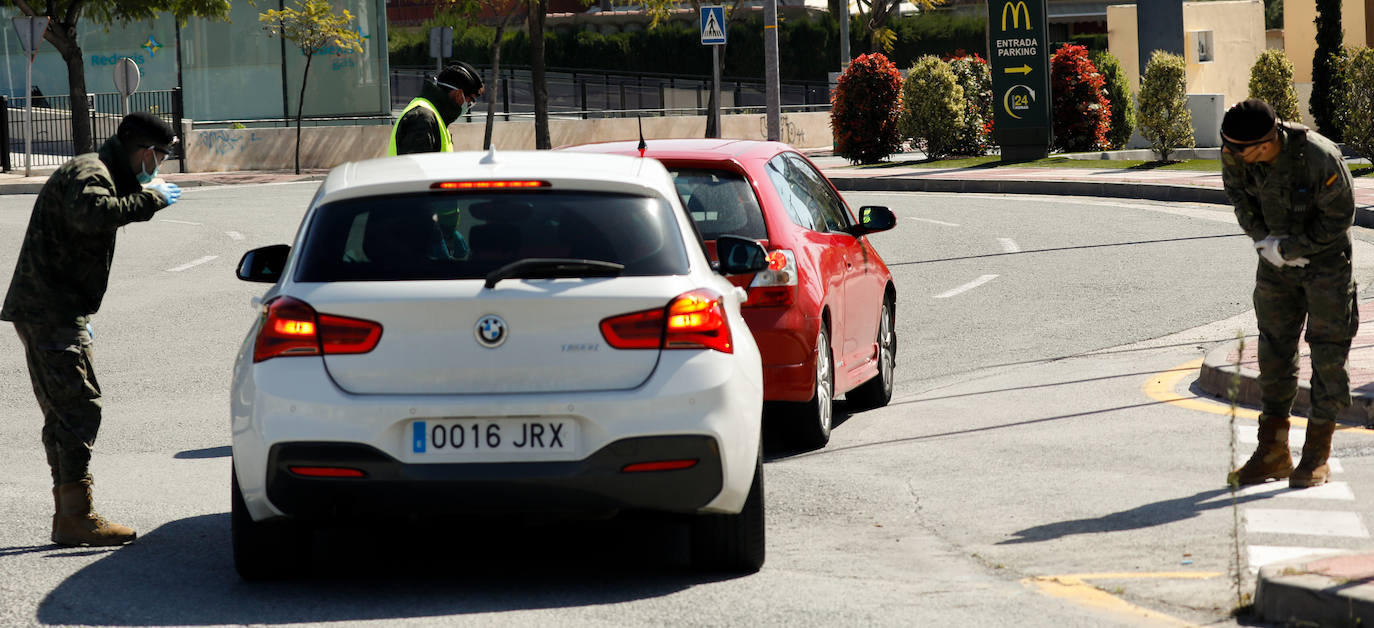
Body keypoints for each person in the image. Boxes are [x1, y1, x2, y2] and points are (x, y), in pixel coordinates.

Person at [1, 112, 182, 546]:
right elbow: (93, 215)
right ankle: (76, 517)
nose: (158, 167)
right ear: (144, 151)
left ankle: (70, 515)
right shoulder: (91, 172)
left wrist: (80, 317)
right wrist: (151, 199)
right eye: (160, 157)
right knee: (79, 408)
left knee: (65, 411)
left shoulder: (100, 171)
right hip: (50, 311)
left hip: (57, 310)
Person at [1222, 99, 1358, 489]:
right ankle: (1273, 451)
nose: (1232, 157)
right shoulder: (1235, 152)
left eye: (1241, 151)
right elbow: (1239, 198)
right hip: (1275, 263)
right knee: (1274, 350)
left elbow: (1340, 216)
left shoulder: (1318, 157)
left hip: (1326, 264)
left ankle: (1316, 456)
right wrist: (1264, 242)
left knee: (1328, 353)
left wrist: (1292, 248)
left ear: (1266, 143)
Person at [388, 61, 485, 156]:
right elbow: (415, 165)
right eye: (470, 101)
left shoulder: (434, 117)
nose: (468, 106)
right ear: (458, 94)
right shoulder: (422, 119)